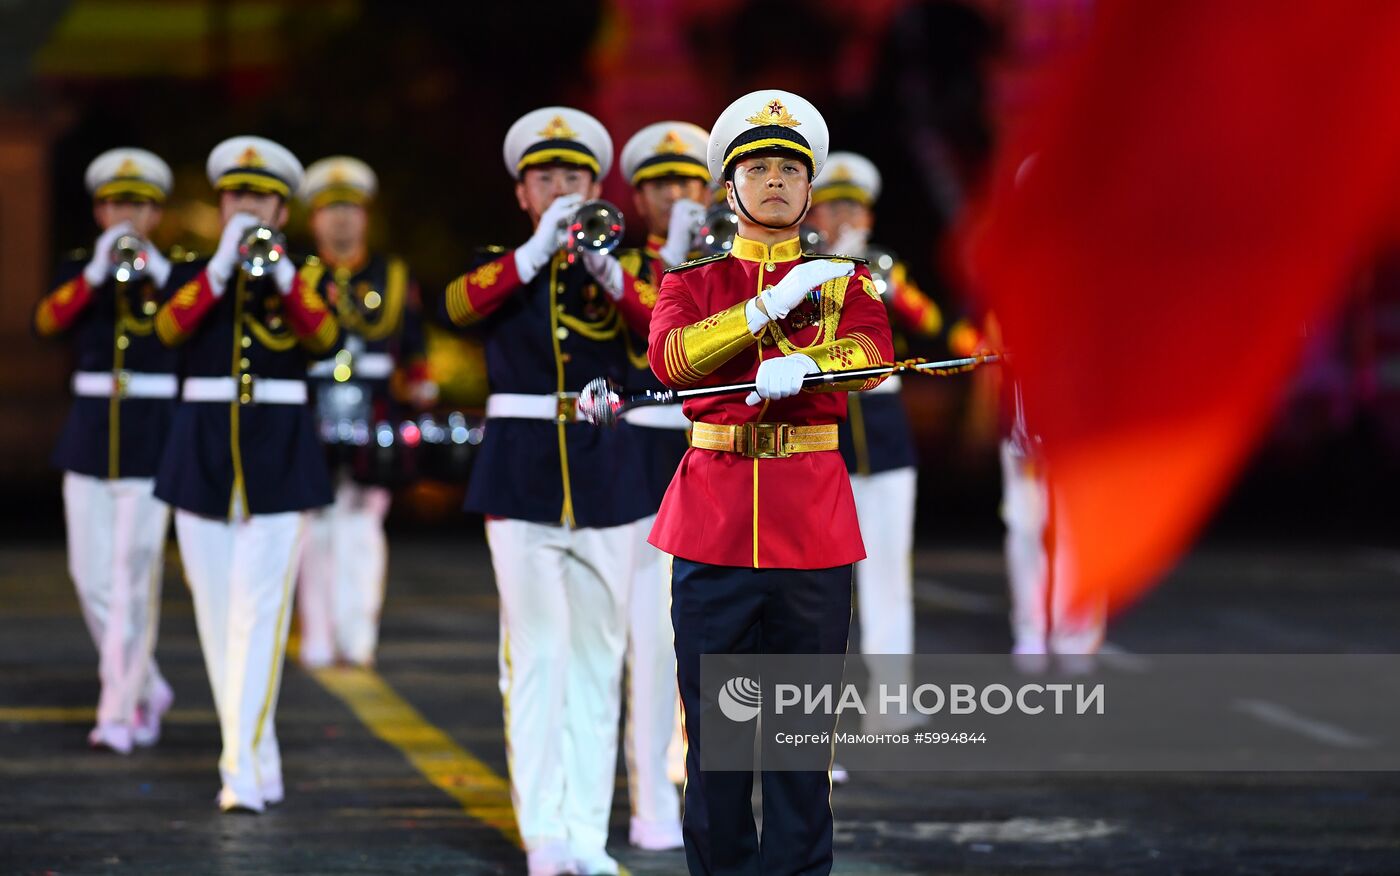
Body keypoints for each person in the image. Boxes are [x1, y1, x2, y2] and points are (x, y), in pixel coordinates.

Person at [647, 89, 894, 876]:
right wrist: (766, 309)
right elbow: (673, 361)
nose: (777, 180)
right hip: (714, 527)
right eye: (759, 168)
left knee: (799, 748)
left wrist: (811, 361)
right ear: (730, 188)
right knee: (716, 747)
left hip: (811, 530)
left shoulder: (846, 284)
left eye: (792, 167)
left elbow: (872, 358)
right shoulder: (690, 283)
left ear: (810, 188)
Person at [440, 107, 649, 876]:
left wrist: (610, 274)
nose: (560, 189)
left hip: (607, 474)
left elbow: (671, 333)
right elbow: (456, 307)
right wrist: (533, 255)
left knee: (600, 657)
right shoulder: (506, 262)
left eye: (575, 178)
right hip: (523, 472)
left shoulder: (626, 263)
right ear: (522, 194)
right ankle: (545, 836)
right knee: (536, 658)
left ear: (599, 188)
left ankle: (587, 837)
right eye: (545, 179)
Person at [154, 135, 339, 813]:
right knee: (216, 618)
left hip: (281, 457)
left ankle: (238, 768)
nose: (246, 206)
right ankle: (256, 758)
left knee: (259, 615)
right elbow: (168, 330)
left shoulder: (306, 273)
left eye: (260, 197)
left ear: (282, 212)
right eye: (237, 195)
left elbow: (327, 339)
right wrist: (222, 269)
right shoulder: (194, 270)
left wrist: (282, 275)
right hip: (200, 456)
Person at [581, 120, 714, 851]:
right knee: (631, 633)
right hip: (630, 454)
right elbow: (653, 332)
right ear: (638, 194)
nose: (675, 195)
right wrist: (667, 259)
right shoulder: (609, 257)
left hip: (706, 456)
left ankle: (670, 796)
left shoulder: (728, 261)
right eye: (661, 184)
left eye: (688, 182)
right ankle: (639, 801)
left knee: (690, 633)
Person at [34, 147, 179, 754]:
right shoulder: (80, 268)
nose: (125, 215)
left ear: (155, 213)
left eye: (137, 204)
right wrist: (96, 272)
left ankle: (119, 713)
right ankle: (147, 686)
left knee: (131, 578)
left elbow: (190, 321)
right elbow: (47, 323)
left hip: (150, 435)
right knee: (88, 574)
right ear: (99, 211)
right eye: (116, 203)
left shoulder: (178, 274)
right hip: (91, 434)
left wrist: (158, 269)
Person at [806, 151, 945, 734]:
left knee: (888, 571)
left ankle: (892, 698)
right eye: (835, 205)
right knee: (819, 578)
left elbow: (930, 323)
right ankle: (819, 704)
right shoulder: (802, 271)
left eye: (853, 207)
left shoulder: (885, 268)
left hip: (883, 434)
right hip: (824, 432)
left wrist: (872, 273)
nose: (844, 216)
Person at [295, 155, 433, 669]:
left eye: (350, 208)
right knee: (314, 525)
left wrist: (420, 380)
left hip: (373, 407)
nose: (341, 219)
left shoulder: (391, 275)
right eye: (330, 209)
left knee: (364, 525)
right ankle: (318, 635)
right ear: (313, 219)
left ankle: (358, 635)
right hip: (312, 408)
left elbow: (412, 342)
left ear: (365, 216)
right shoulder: (299, 275)